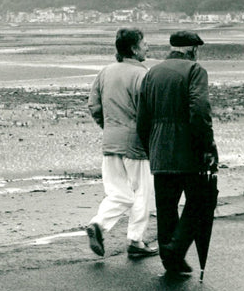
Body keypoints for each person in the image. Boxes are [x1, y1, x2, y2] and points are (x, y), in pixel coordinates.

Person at [136, 30, 219, 275]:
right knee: (200, 202)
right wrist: (207, 146)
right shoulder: (195, 71)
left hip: (160, 150)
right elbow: (200, 111)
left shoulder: (152, 73)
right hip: (188, 150)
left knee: (166, 207)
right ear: (193, 49)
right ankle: (177, 248)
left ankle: (170, 260)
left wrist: (151, 148)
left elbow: (142, 120)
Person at [85, 28, 158, 258]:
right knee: (141, 193)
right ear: (134, 48)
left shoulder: (105, 72)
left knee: (118, 192)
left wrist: (107, 126)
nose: (147, 46)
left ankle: (98, 223)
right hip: (136, 143)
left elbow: (94, 105)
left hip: (111, 140)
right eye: (144, 43)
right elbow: (149, 111)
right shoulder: (143, 75)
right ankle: (135, 241)